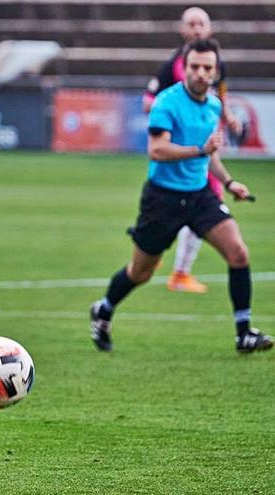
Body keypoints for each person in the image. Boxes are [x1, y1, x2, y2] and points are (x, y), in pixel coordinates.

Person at [89, 39, 271, 354]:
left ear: (215, 72)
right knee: (140, 272)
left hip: (200, 196)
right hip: (163, 200)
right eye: (195, 67)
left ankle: (244, 333)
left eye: (208, 68)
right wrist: (200, 150)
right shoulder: (167, 102)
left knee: (238, 252)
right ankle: (104, 310)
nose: (201, 73)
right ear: (184, 68)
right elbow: (157, 150)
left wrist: (229, 183)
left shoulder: (213, 104)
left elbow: (209, 155)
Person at [143, 6, 243, 294]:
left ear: (209, 28)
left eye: (202, 23)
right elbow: (149, 100)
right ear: (182, 29)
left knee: (205, 201)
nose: (197, 28)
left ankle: (176, 267)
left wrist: (229, 115)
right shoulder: (175, 65)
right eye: (192, 23)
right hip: (181, 151)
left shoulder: (216, 64)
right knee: (189, 205)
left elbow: (218, 95)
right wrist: (167, 111)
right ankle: (176, 269)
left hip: (201, 153)